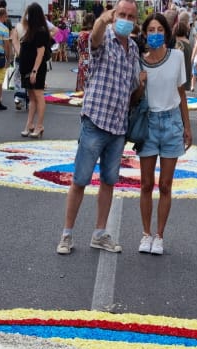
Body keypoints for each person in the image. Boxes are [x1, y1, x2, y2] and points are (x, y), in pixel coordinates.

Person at [56, 0, 140, 256]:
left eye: (130, 16)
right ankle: (67, 235)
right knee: (80, 180)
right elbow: (94, 39)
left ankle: (99, 234)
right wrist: (103, 20)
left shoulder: (134, 47)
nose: (125, 19)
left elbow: (134, 84)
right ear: (115, 15)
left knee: (108, 181)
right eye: (121, 14)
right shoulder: (105, 38)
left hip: (118, 126)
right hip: (95, 120)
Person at [136, 11, 192, 255]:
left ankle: (159, 235)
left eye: (160, 30)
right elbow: (135, 99)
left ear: (166, 33)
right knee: (146, 184)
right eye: (152, 30)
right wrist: (140, 84)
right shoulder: (139, 61)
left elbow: (181, 94)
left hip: (171, 123)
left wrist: (187, 127)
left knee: (166, 185)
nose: (156, 34)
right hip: (147, 123)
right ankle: (146, 233)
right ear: (145, 34)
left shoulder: (177, 56)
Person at [18, 3, 51, 137]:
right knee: (31, 97)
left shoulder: (40, 31)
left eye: (29, 14)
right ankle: (29, 124)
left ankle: (39, 125)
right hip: (27, 69)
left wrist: (34, 71)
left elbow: (40, 52)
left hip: (35, 69)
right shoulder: (31, 30)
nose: (26, 16)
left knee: (38, 95)